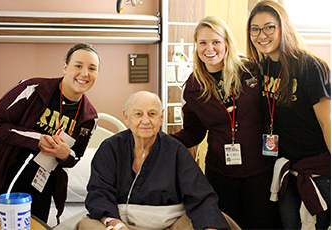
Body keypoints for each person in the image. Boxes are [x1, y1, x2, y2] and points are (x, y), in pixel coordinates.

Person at [170, 16, 280, 229]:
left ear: (226, 43)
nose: (209, 48)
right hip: (221, 173)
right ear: (196, 46)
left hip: (260, 169)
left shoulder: (251, 71)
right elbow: (193, 133)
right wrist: (160, 141)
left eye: (216, 42)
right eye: (202, 43)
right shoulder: (193, 87)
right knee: (224, 224)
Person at [76, 91, 235, 230]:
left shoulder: (176, 150)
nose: (145, 121)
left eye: (152, 114)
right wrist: (115, 224)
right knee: (88, 226)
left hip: (170, 224)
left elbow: (200, 195)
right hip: (121, 223)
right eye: (138, 114)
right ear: (126, 117)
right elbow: (99, 193)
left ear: (161, 117)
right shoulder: (110, 148)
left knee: (218, 220)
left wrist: (210, 227)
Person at [0, 42, 100, 223]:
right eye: (78, 66)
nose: (84, 73)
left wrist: (65, 155)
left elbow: (75, 157)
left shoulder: (89, 118)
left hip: (40, 186)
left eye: (92, 68)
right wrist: (37, 139)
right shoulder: (33, 89)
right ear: (65, 67)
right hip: (1, 173)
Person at [246, 1, 331, 229]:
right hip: (285, 169)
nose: (261, 35)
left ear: (284, 27)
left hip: (317, 172)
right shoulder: (261, 68)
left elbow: (327, 122)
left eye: (269, 27)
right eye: (255, 29)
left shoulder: (309, 66)